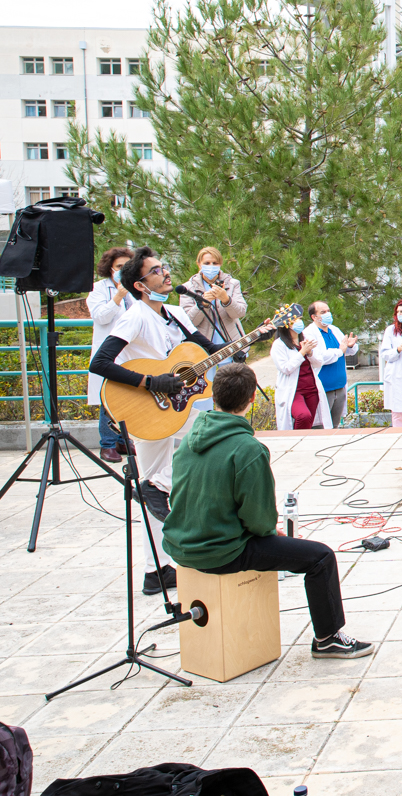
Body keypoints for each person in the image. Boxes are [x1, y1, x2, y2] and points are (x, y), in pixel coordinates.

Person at [89, 247, 271, 594]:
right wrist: (151, 382)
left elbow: (205, 348)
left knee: (152, 489)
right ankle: (158, 497)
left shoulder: (174, 312)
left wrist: (252, 337)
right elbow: (100, 363)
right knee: (219, 439)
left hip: (171, 407)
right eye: (156, 270)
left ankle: (155, 570)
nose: (166, 273)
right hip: (146, 404)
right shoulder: (136, 316)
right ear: (141, 285)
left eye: (165, 267)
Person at [162, 363, 373, 659]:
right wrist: (269, 531)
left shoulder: (187, 442)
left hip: (180, 546)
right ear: (251, 400)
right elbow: (259, 519)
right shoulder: (247, 449)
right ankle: (328, 639)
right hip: (221, 551)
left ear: (214, 395)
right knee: (320, 557)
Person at [86, 246, 134, 462]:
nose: (122, 270)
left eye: (127, 266)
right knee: (108, 399)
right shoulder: (98, 289)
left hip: (129, 352)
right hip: (108, 353)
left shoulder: (133, 289)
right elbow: (101, 317)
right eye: (118, 267)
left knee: (128, 398)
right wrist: (117, 297)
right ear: (109, 268)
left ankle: (123, 440)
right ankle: (107, 444)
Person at [271, 314, 338, 430]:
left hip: (311, 388)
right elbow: (286, 368)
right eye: (294, 320)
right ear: (285, 325)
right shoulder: (279, 345)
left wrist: (310, 353)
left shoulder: (306, 339)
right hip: (294, 390)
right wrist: (302, 352)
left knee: (309, 422)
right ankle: (294, 442)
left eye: (299, 319)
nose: (299, 322)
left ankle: (304, 444)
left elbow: (318, 363)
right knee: (303, 416)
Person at [179, 247, 248, 357]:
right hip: (203, 348)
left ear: (220, 264)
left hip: (231, 343)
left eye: (215, 263)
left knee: (232, 373)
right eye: (207, 263)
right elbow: (188, 322)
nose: (211, 266)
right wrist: (203, 304)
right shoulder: (187, 289)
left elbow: (240, 313)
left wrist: (226, 300)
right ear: (199, 264)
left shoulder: (232, 284)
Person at [309, 302, 358, 428]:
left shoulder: (334, 330)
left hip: (340, 386)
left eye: (328, 311)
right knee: (321, 427)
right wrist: (339, 351)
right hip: (324, 387)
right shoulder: (309, 333)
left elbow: (346, 350)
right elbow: (318, 357)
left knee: (334, 426)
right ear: (314, 317)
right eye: (322, 312)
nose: (327, 314)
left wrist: (350, 346)